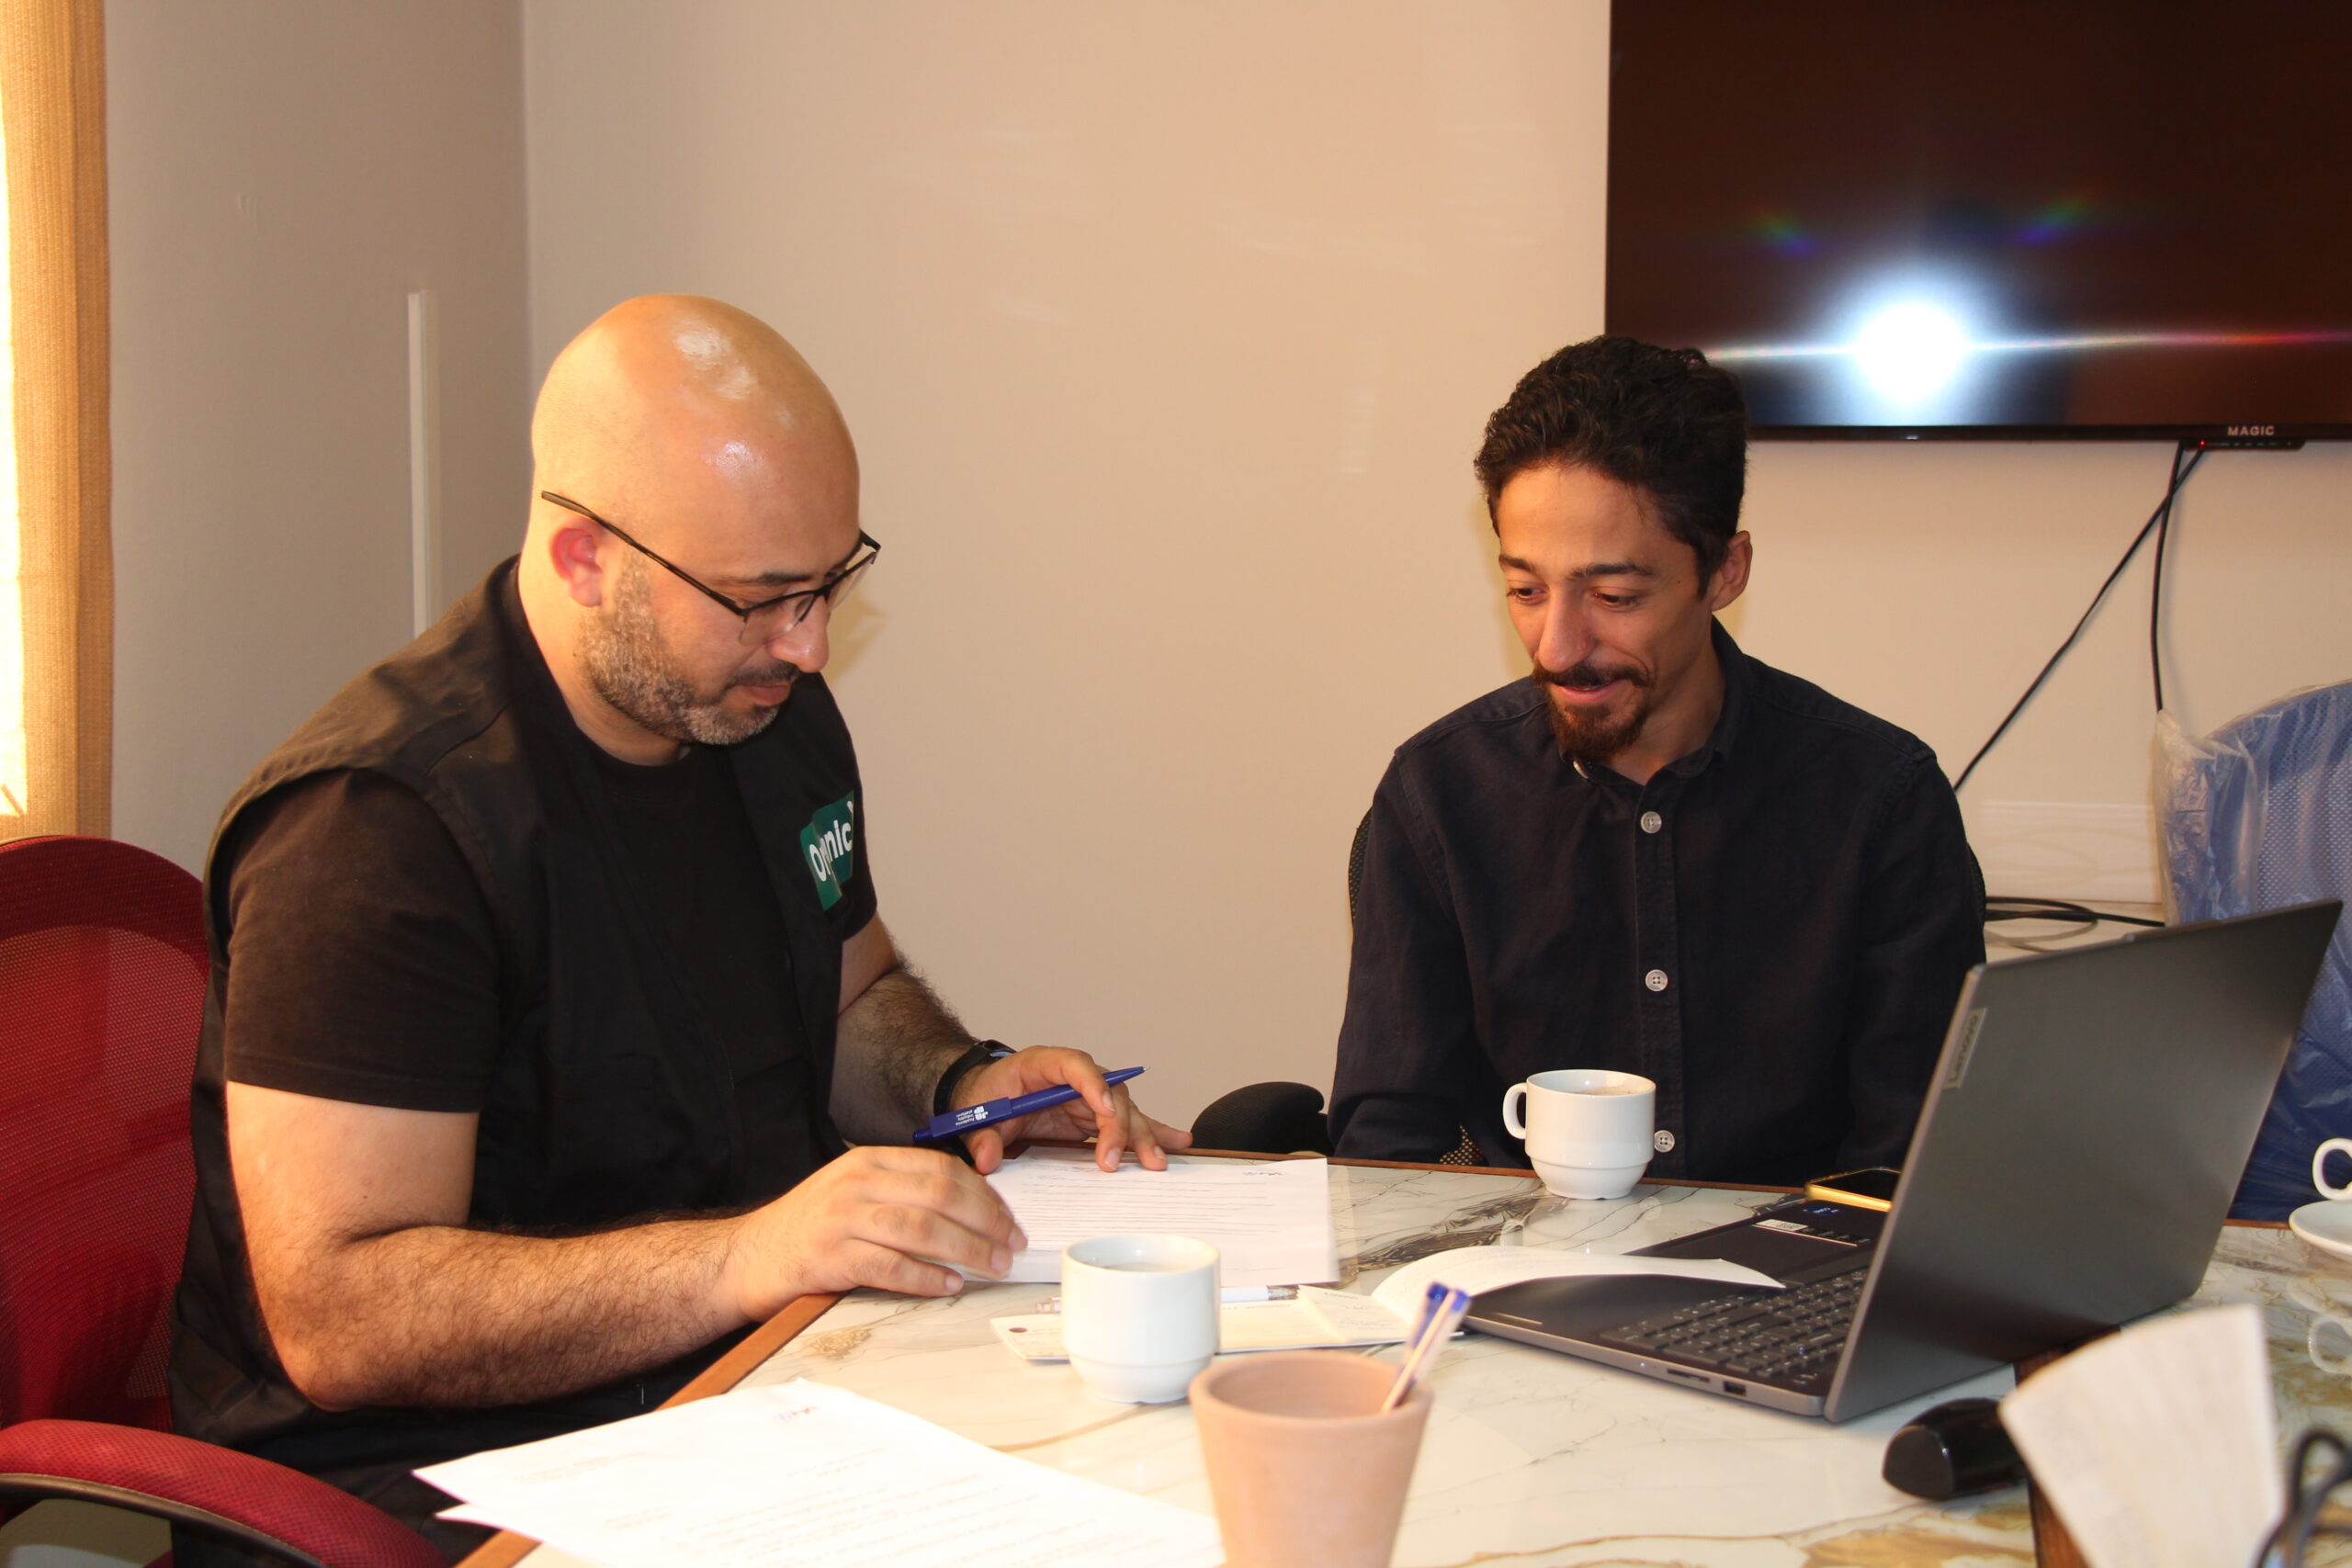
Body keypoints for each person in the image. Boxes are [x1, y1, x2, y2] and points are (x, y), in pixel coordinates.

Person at [168, 296, 1188, 1562]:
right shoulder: (379, 830)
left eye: (830, 582)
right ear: (585, 558)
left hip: (743, 1381)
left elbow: (848, 994)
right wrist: (746, 1257)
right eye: (761, 598)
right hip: (450, 1481)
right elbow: (343, 1319)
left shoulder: (761, 716)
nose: (809, 645)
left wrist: (962, 1083)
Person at [1329, 335, 1983, 1184]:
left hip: (1801, 1255)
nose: (1558, 647)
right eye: (1526, 589)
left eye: (1614, 596)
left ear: (1725, 573)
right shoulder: (1442, 792)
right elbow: (1385, 1151)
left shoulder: (1879, 799)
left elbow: (1912, 1161)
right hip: (1521, 1257)